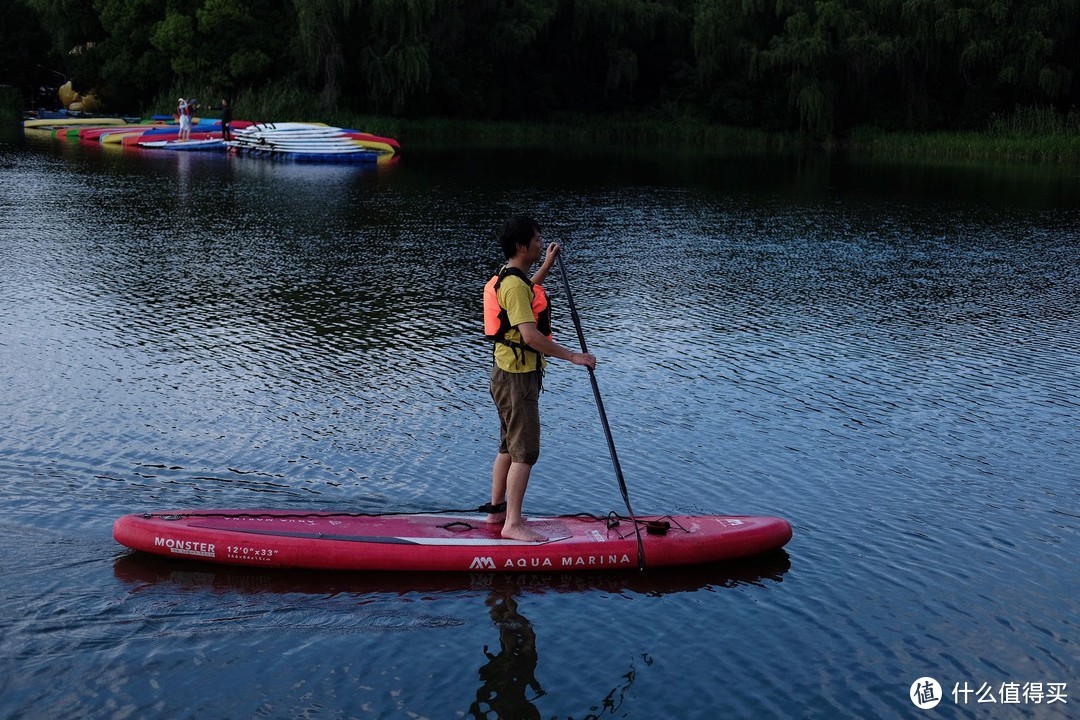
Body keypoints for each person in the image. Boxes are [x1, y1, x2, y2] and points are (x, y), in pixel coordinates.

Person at [484, 215, 596, 542]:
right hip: (518, 379)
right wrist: (574, 356)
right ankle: (513, 524)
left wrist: (546, 263)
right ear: (521, 246)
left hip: (505, 375)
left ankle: (497, 513)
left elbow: (527, 289)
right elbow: (530, 336)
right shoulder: (515, 286)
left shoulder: (510, 277)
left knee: (508, 444)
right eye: (535, 239)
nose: (539, 242)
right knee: (525, 451)